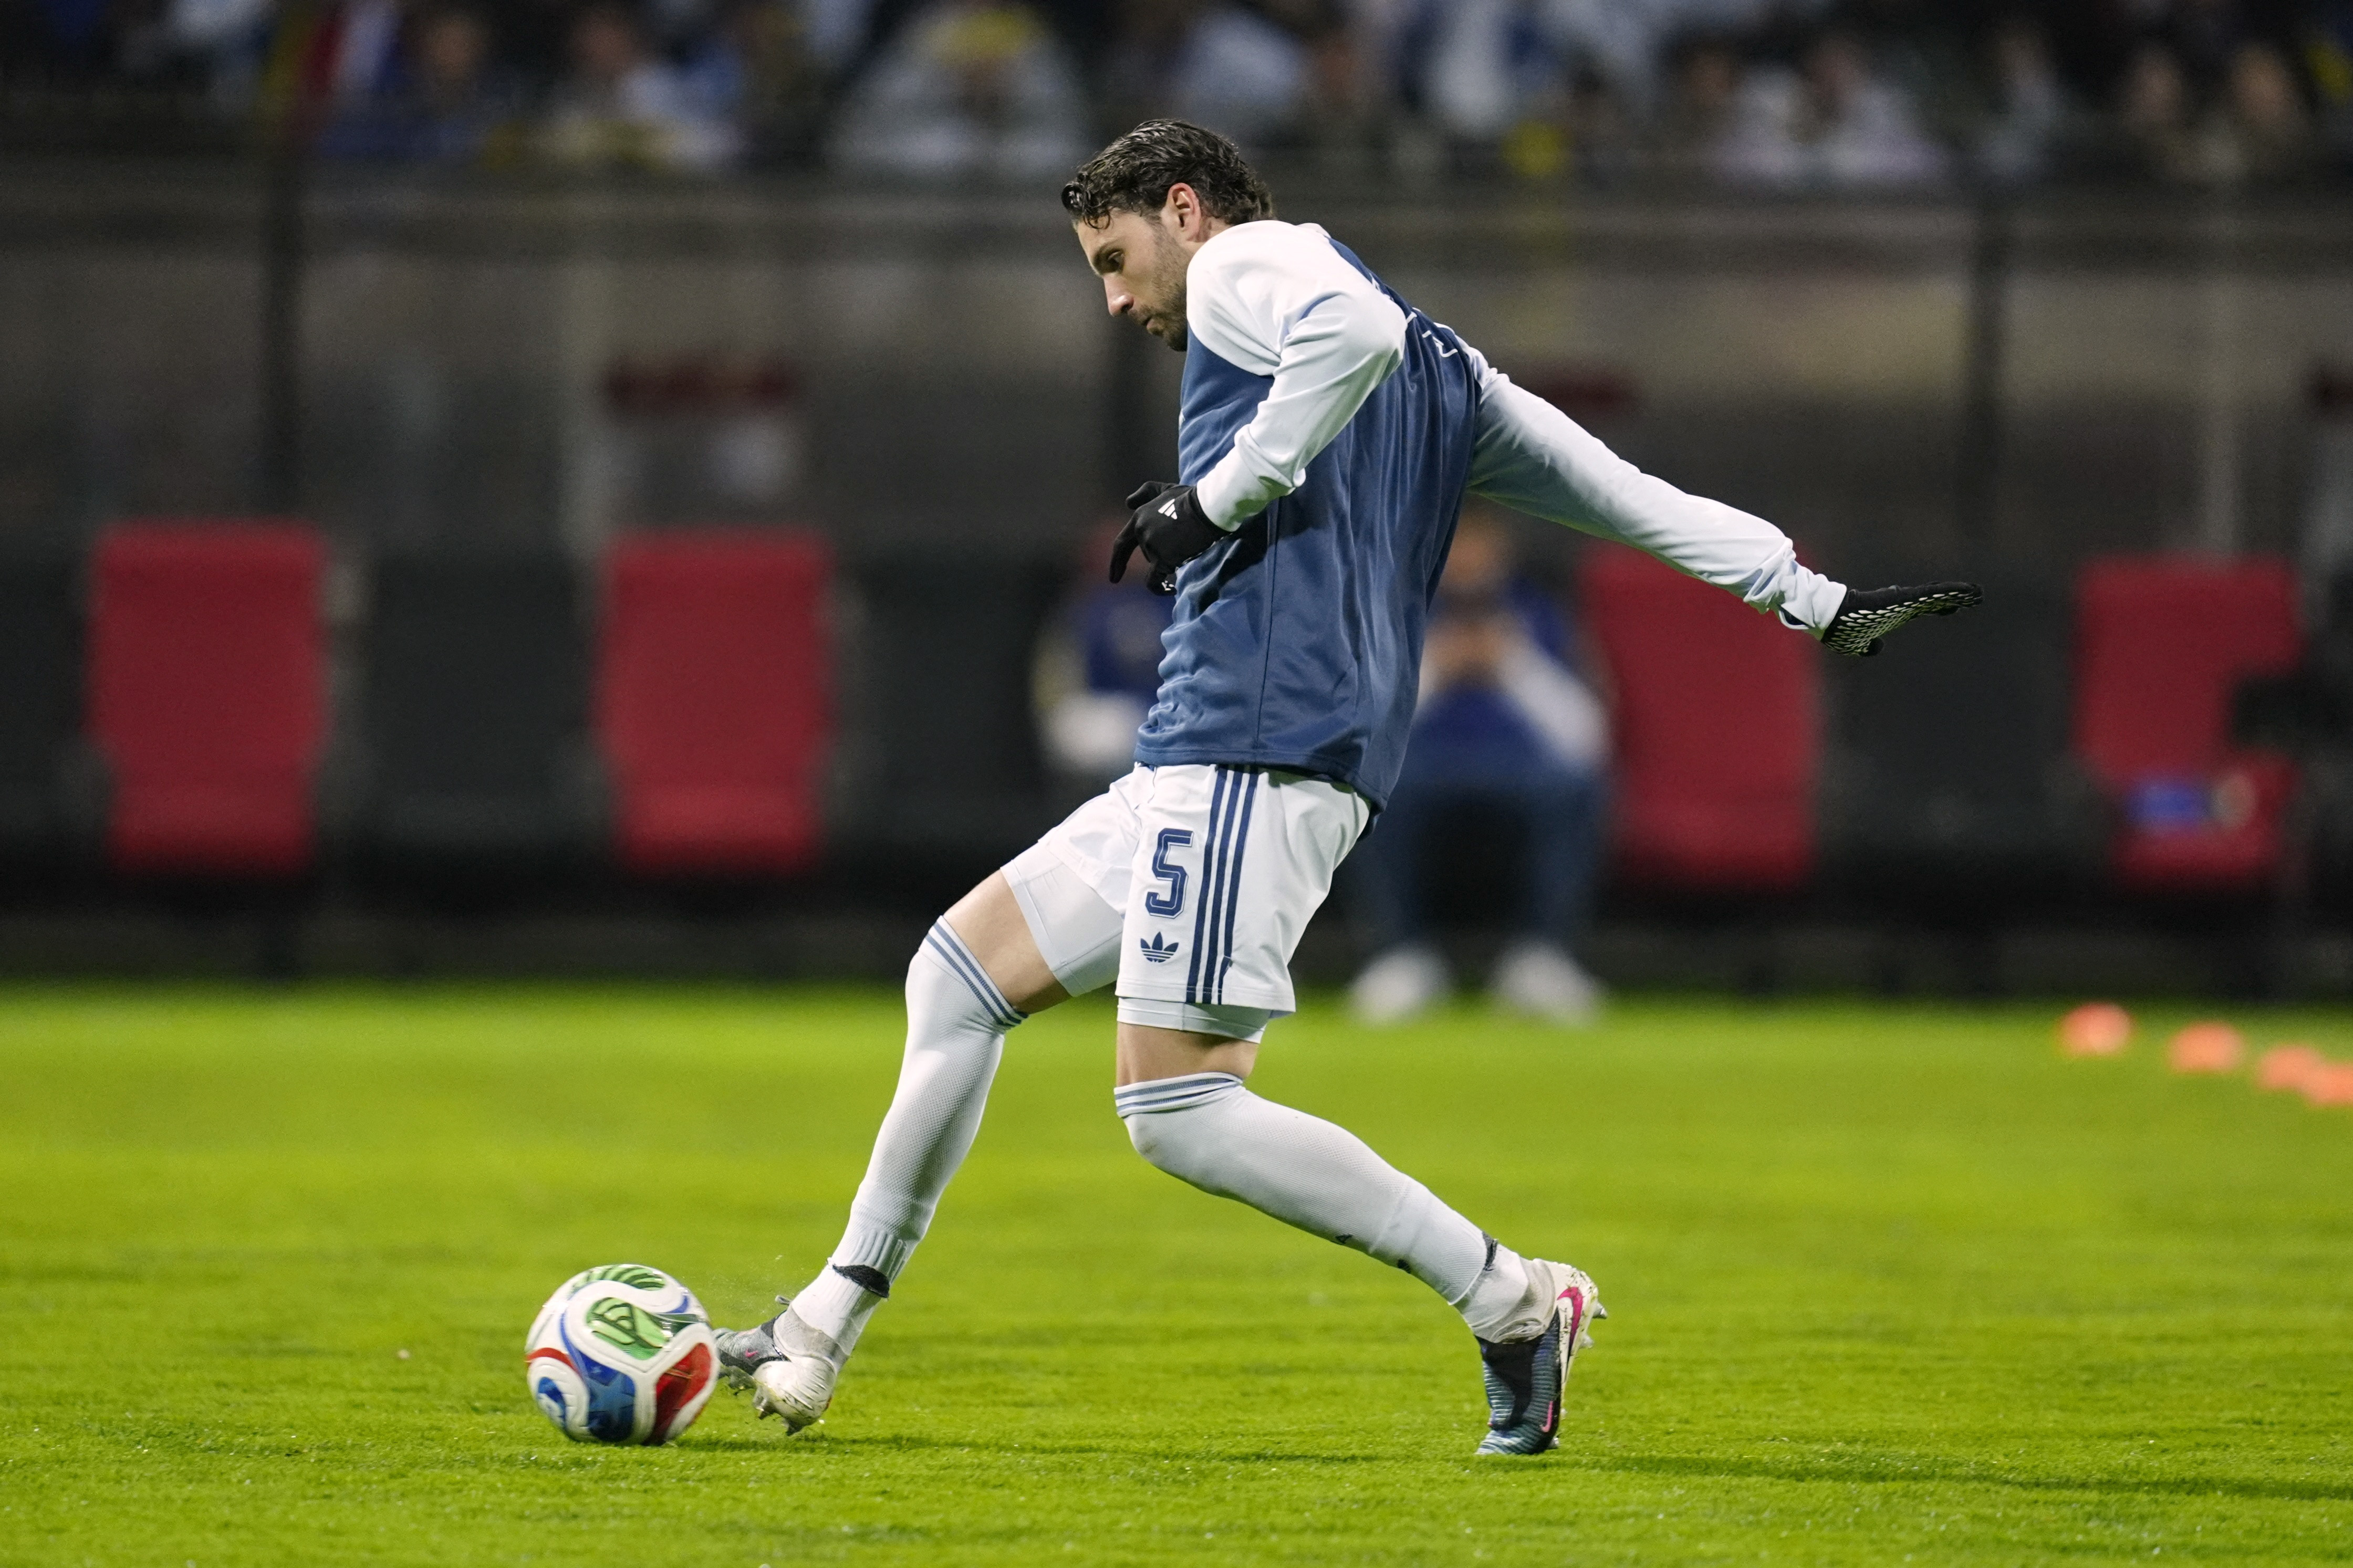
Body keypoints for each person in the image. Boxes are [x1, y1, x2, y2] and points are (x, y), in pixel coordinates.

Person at [713, 119, 1979, 1457]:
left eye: (1114, 257)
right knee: (957, 975)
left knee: (1179, 1109)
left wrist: (1215, 497)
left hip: (1256, 745)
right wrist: (1809, 595)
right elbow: (1621, 490)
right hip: (1237, 748)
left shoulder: (1258, 266)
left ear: (1185, 210)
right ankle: (823, 1320)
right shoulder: (1451, 372)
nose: (1116, 298)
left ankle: (1512, 1297)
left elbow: (1348, 339)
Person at [1347, 507, 1611, 1026]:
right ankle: (1401, 958)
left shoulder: (1537, 613)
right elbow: (1364, 734)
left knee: (1577, 785)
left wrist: (1511, 664)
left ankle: (1541, 959)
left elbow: (1584, 735)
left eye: (1478, 544)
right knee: (1365, 788)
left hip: (1520, 771)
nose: (1466, 559)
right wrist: (1435, 669)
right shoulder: (1400, 612)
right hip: (1419, 771)